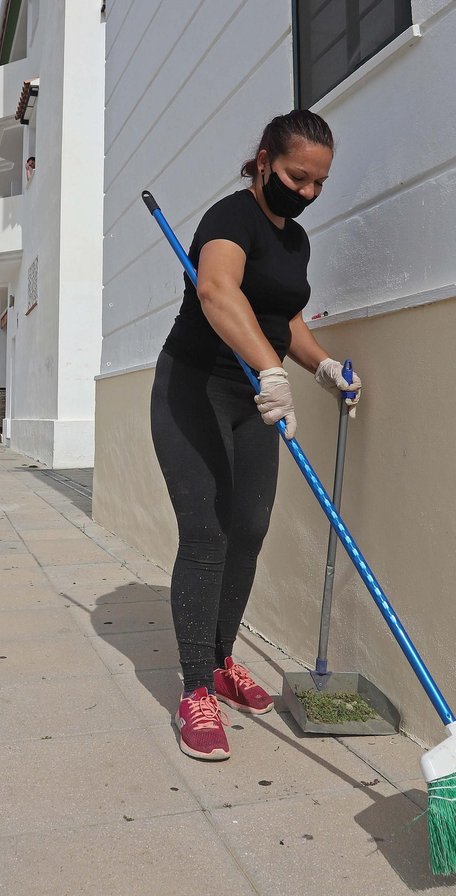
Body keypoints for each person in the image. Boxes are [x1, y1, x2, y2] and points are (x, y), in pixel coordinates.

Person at [151, 110, 362, 761]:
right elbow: (218, 292)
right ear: (265, 160)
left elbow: (283, 318)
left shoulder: (296, 242)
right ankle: (194, 690)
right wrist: (272, 372)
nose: (308, 193)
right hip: (195, 388)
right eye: (298, 177)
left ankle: (220, 661)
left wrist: (321, 366)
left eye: (319, 183)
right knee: (207, 532)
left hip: (253, 398)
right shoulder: (230, 218)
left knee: (249, 528)